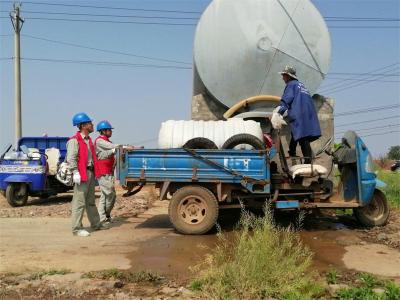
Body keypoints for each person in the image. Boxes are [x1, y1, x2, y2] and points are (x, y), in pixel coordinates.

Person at [67, 112, 107, 237]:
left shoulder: (89, 140)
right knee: (79, 202)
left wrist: (111, 151)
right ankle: (77, 229)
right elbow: (71, 158)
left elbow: (95, 157)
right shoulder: (75, 141)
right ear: (83, 125)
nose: (92, 125)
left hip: (90, 173)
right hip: (81, 174)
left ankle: (95, 224)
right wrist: (75, 172)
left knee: (90, 201)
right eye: (90, 123)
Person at [277, 66, 321, 164]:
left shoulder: (291, 85)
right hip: (308, 113)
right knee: (297, 132)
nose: (282, 78)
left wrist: (277, 113)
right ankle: (292, 151)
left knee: (303, 136)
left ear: (288, 76)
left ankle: (308, 161)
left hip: (300, 113)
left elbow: (286, 100)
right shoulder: (301, 85)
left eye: (283, 75)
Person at [95, 120, 134, 223]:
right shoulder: (100, 141)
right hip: (102, 172)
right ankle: (104, 216)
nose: (111, 132)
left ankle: (103, 217)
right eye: (109, 130)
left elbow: (113, 151)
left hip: (108, 172)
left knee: (105, 195)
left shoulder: (107, 141)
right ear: (103, 131)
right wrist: (125, 147)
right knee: (110, 194)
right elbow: (113, 148)